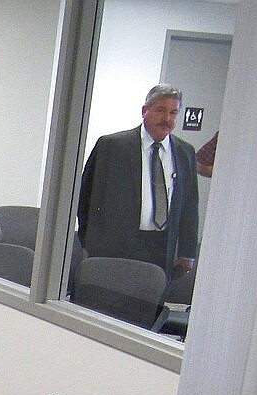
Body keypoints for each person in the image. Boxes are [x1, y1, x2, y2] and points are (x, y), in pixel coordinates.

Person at [77, 84, 198, 279]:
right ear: (145, 111)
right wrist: (89, 243)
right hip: (116, 247)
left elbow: (190, 206)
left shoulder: (185, 152)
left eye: (173, 113)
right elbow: (85, 197)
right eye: (160, 110)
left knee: (148, 303)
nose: (167, 119)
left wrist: (187, 252)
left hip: (162, 249)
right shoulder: (112, 146)